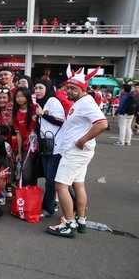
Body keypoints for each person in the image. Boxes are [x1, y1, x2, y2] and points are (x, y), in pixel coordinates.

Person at [46, 66, 107, 238]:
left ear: (83, 89)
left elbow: (102, 124)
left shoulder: (86, 102)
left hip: (75, 151)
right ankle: (80, 220)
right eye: (68, 87)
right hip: (78, 151)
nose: (69, 91)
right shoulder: (80, 102)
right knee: (78, 185)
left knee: (61, 185)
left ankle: (69, 224)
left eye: (73, 88)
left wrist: (82, 140)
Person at [34, 79, 65, 217]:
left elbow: (60, 121)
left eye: (40, 88)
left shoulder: (53, 100)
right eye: (35, 88)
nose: (37, 90)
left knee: (51, 181)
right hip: (46, 147)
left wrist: (42, 114)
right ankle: (71, 204)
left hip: (56, 148)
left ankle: (48, 208)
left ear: (47, 88)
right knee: (50, 179)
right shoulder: (42, 103)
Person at [13, 87, 39, 186]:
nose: (19, 99)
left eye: (22, 96)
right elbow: (18, 134)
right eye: (17, 97)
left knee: (36, 172)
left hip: (38, 145)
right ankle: (24, 193)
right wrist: (19, 152)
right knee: (25, 173)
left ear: (28, 97)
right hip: (26, 147)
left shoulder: (35, 108)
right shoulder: (16, 113)